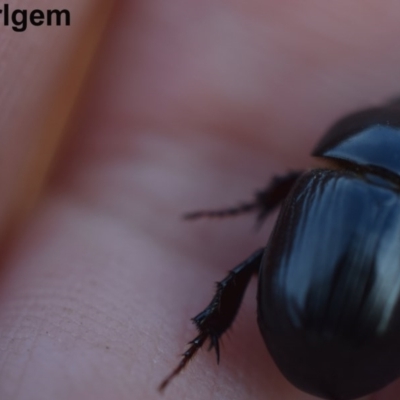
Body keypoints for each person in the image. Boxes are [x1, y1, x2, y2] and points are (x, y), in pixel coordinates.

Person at [1, 1, 399, 399]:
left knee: (253, 264)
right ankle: (194, 349)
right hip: (365, 356)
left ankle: (198, 344)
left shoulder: (325, 177)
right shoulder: (325, 177)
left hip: (304, 329)